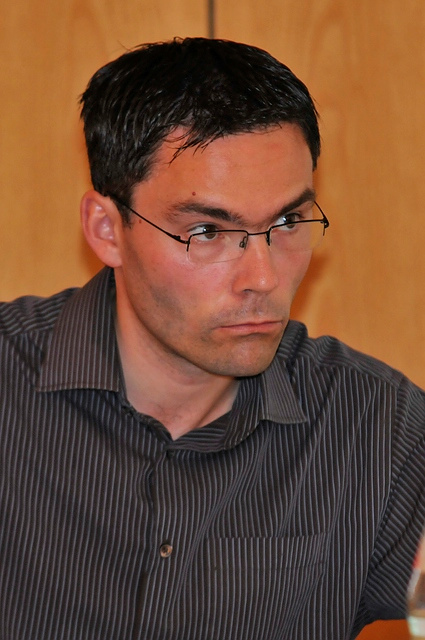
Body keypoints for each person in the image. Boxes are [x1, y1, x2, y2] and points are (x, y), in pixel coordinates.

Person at [0, 37, 424, 640]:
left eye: (287, 222)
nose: (263, 278)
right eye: (206, 231)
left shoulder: (376, 424)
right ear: (107, 229)